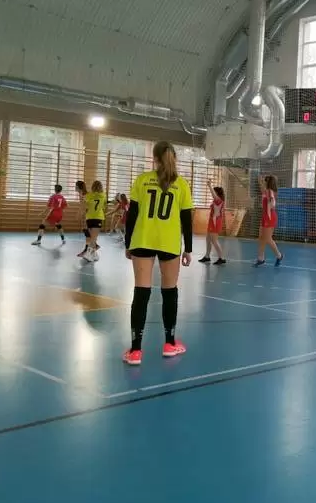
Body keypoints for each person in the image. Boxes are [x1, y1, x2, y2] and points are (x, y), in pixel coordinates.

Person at [123, 140, 193, 365]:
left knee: (141, 293)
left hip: (142, 240)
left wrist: (128, 244)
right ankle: (170, 344)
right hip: (169, 243)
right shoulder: (181, 184)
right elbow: (186, 220)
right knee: (169, 292)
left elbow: (132, 215)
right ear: (174, 158)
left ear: (154, 158)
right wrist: (188, 249)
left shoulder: (142, 180)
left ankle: (135, 350)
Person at [255, 174, 283, 266]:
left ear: (268, 183)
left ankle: (279, 255)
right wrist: (260, 181)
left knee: (267, 238)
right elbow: (262, 189)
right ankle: (261, 258)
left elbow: (273, 203)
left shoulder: (270, 192)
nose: (264, 183)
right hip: (265, 216)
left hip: (269, 216)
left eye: (265, 181)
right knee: (261, 237)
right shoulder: (266, 191)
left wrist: (270, 206)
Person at [199, 180, 226, 265]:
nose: (213, 194)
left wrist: (209, 185)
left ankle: (221, 258)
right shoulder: (217, 201)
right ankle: (207, 256)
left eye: (214, 192)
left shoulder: (219, 200)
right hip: (212, 221)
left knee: (214, 240)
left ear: (217, 193)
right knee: (208, 239)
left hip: (215, 222)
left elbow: (213, 195)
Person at [82, 181, 106, 262]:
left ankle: (94, 254)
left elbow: (85, 206)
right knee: (94, 238)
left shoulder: (88, 195)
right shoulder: (103, 195)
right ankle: (88, 254)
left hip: (89, 218)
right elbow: (104, 206)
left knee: (92, 238)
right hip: (98, 217)